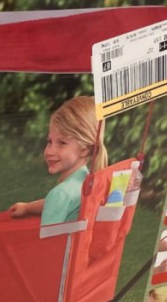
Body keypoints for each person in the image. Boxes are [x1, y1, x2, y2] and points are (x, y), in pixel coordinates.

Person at [9, 96, 108, 226]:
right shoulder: (87, 182)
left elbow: (47, 243)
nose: (50, 151)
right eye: (50, 142)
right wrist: (27, 207)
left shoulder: (61, 193)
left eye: (62, 143)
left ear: (84, 150)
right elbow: (57, 203)